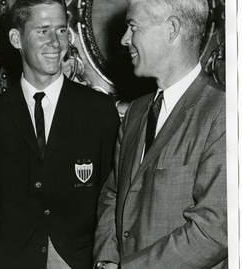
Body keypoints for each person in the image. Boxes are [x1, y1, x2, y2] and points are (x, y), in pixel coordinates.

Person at [0, 0, 120, 268]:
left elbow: (112, 198)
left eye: (61, 30)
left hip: (80, 260)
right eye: (43, 31)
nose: (56, 43)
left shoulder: (100, 111)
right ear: (17, 38)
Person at [93, 0, 227, 268]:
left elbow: (213, 230)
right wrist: (106, 260)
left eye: (133, 27)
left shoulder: (222, 112)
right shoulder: (137, 112)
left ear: (172, 29)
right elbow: (113, 194)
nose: (124, 39)